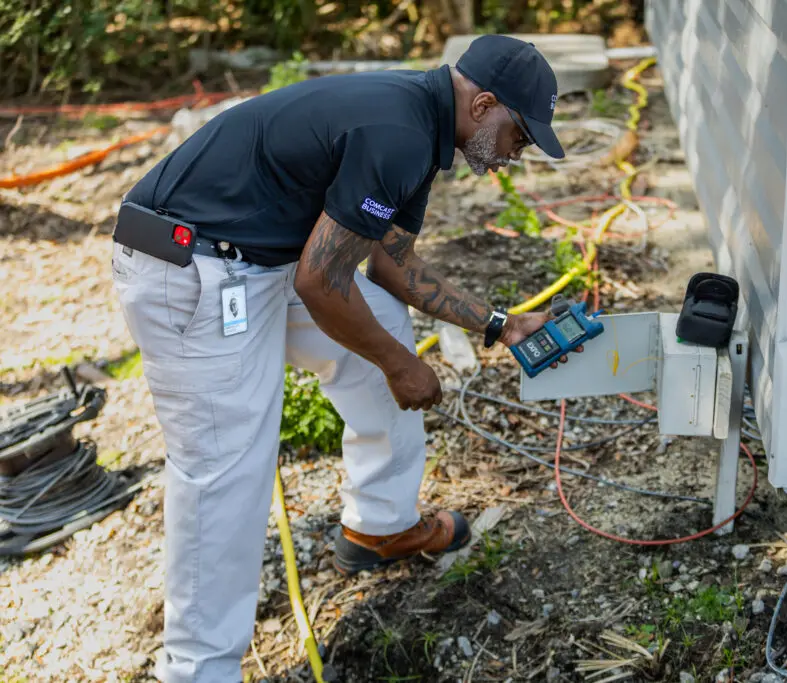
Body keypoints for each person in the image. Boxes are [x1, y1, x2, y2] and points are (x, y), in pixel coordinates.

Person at [111, 34, 574, 683]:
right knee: (226, 469)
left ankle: (380, 524)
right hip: (194, 268)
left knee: (381, 325)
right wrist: (401, 367)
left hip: (259, 260)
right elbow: (320, 284)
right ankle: (197, 671)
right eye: (519, 137)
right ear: (484, 104)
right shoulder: (400, 132)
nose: (515, 156)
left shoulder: (421, 122)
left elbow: (390, 261)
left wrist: (500, 325)